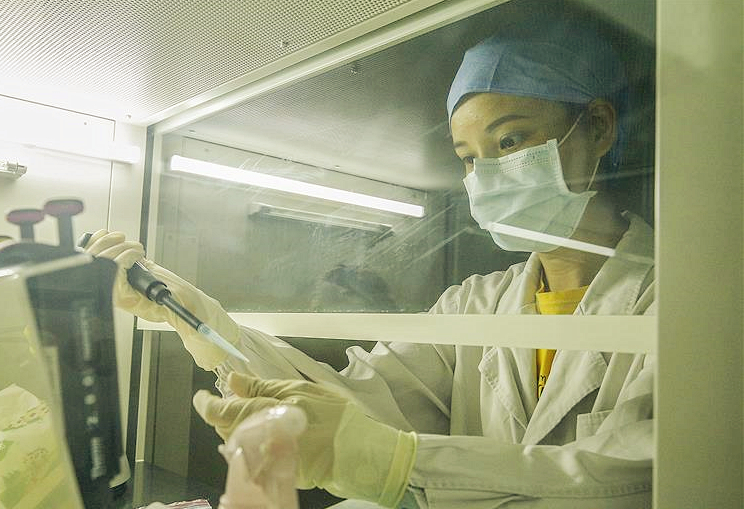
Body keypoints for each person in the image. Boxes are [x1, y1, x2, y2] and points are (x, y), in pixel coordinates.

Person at [86, 15, 654, 509]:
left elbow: (639, 476)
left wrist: (392, 462)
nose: (486, 176)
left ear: (598, 128)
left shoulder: (673, 299)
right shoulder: (475, 305)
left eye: (509, 142)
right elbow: (356, 404)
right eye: (468, 158)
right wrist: (194, 317)